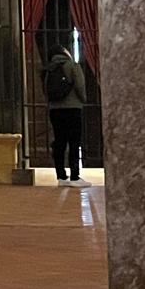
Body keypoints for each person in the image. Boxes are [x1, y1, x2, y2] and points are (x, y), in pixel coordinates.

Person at [44, 43, 88, 185]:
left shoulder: (48, 70)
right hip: (72, 108)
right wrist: (83, 99)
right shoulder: (72, 66)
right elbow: (80, 85)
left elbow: (46, 90)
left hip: (55, 110)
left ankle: (61, 176)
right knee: (74, 141)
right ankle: (75, 175)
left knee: (60, 141)